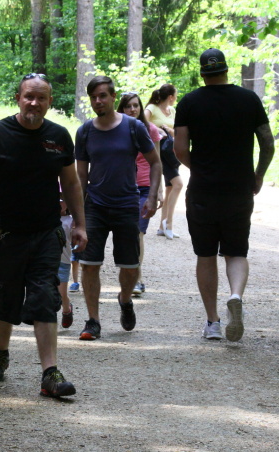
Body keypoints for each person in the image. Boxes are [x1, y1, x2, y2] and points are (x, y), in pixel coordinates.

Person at [0, 73, 87, 398]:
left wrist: (80, 224)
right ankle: (1, 352)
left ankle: (50, 373)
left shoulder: (59, 136)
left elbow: (71, 183)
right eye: (29, 96)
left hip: (46, 232)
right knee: (4, 295)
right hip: (6, 233)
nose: (34, 103)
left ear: (49, 102)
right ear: (18, 98)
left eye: (41, 98)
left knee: (45, 296)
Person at [174, 48, 275, 342]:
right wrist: (258, 175)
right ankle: (236, 295)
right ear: (226, 70)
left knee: (206, 255)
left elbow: (179, 149)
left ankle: (213, 322)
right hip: (239, 189)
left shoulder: (189, 102)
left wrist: (200, 168)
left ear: (202, 73)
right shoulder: (249, 99)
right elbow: (268, 143)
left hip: (203, 191)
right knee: (236, 252)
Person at [75, 76, 162, 340]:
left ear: (113, 97)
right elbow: (80, 175)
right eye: (93, 97)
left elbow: (155, 162)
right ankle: (93, 321)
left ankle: (125, 299)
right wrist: (77, 211)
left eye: (103, 96)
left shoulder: (134, 127)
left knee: (130, 265)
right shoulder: (85, 131)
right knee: (90, 264)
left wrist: (152, 196)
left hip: (126, 204)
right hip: (95, 205)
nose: (98, 101)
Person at [116, 91, 163, 296]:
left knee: (138, 232)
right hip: (122, 187)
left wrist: (159, 190)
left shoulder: (150, 129)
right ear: (122, 108)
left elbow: (158, 161)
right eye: (128, 106)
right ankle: (131, 274)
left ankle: (136, 278)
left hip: (144, 187)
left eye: (136, 105)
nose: (132, 109)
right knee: (126, 233)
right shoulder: (115, 129)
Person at [146, 84, 183, 240]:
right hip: (159, 152)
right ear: (170, 97)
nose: (176, 97)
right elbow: (142, 122)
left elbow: (177, 132)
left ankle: (163, 226)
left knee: (170, 187)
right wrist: (158, 129)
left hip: (171, 152)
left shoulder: (172, 111)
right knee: (178, 184)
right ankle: (169, 224)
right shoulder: (152, 108)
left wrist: (168, 130)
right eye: (175, 95)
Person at [58, 192, 74, 328]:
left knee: (62, 293)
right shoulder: (46, 219)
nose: (59, 203)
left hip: (63, 261)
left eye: (62, 200)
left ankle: (66, 309)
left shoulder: (71, 221)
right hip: (47, 261)